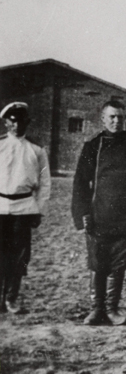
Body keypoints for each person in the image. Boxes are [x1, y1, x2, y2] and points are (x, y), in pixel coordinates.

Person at [71, 100, 126, 326]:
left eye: (121, 118)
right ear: (103, 119)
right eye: (112, 117)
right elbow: (80, 183)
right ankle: (97, 310)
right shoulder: (93, 146)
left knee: (119, 263)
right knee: (97, 262)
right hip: (99, 215)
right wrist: (82, 214)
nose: (117, 121)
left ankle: (112, 308)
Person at [0, 102, 51, 314]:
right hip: (0, 207)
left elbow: (45, 184)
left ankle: (11, 298)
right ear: (6, 123)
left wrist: (39, 210)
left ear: (27, 123)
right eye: (12, 121)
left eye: (21, 121)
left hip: (24, 208)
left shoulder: (37, 150)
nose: (17, 126)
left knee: (19, 256)